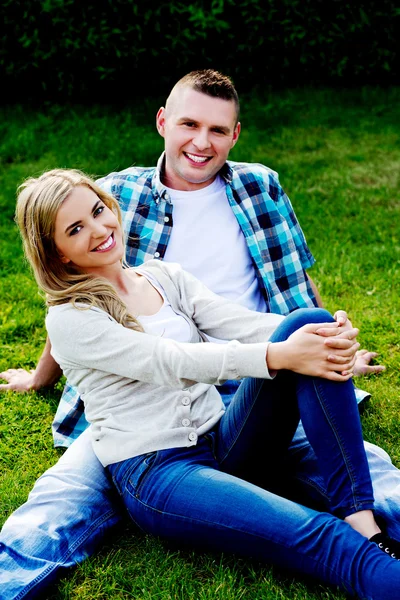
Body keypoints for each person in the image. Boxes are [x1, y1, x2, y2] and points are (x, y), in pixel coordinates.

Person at [0, 70, 397, 599]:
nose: (98, 229)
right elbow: (171, 359)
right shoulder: (71, 316)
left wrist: (325, 331)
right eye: (75, 230)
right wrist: (279, 355)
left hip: (220, 429)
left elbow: (236, 316)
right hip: (155, 465)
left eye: (96, 213)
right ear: (56, 253)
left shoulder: (167, 268)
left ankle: (363, 522)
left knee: (309, 327)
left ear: (235, 134)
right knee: (60, 502)